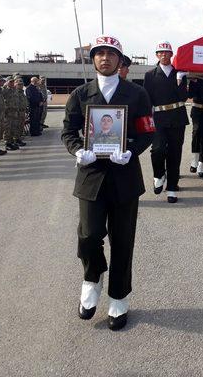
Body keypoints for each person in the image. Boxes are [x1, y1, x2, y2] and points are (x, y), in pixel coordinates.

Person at [62, 34, 155, 331]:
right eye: (99, 54)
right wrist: (78, 150)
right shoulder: (80, 94)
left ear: (120, 60)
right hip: (91, 176)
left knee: (123, 240)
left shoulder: (137, 94)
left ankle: (119, 297)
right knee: (88, 236)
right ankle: (92, 279)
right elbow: (68, 132)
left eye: (111, 54)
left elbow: (146, 131)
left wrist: (131, 151)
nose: (105, 58)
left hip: (124, 177)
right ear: (93, 60)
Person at [143, 41, 188, 204]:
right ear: (157, 55)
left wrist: (179, 81)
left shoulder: (180, 73)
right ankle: (158, 174)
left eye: (167, 52)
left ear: (171, 55)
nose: (164, 55)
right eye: (160, 52)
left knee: (175, 153)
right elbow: (147, 99)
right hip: (159, 118)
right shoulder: (150, 74)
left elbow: (183, 97)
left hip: (177, 116)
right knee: (158, 150)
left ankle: (172, 187)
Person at [188, 74, 203, 177]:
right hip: (197, 109)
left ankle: (201, 163)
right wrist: (193, 81)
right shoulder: (196, 78)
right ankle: (194, 160)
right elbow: (190, 95)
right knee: (196, 133)